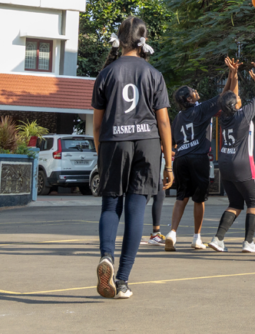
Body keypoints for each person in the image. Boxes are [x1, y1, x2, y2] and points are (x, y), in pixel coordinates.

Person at [91, 16, 174, 300]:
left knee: (110, 205)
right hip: (148, 144)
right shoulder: (154, 74)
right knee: (136, 210)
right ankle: (123, 280)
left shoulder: (106, 74)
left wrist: (101, 155)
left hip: (114, 142)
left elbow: (98, 125)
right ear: (143, 41)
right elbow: (163, 123)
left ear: (120, 40)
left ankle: (106, 258)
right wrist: (169, 163)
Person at [209, 54, 255, 253]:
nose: (239, 99)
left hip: (224, 163)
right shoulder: (243, 115)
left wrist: (232, 74)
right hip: (243, 163)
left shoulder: (224, 116)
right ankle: (248, 242)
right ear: (236, 105)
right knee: (254, 202)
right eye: (238, 100)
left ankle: (218, 239)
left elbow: (229, 97)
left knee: (235, 203)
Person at [164, 75, 229, 251]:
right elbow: (224, 96)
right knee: (199, 200)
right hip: (198, 157)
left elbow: (174, 140)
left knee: (181, 197)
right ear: (189, 98)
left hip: (180, 158)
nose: (195, 91)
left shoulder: (178, 117)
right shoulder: (201, 109)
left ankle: (172, 233)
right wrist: (231, 75)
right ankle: (196, 237)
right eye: (192, 91)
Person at [146, 155, 167, 244]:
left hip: (154, 163)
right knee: (143, 197)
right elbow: (163, 146)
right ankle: (131, 232)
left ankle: (155, 234)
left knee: (159, 194)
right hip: (149, 161)